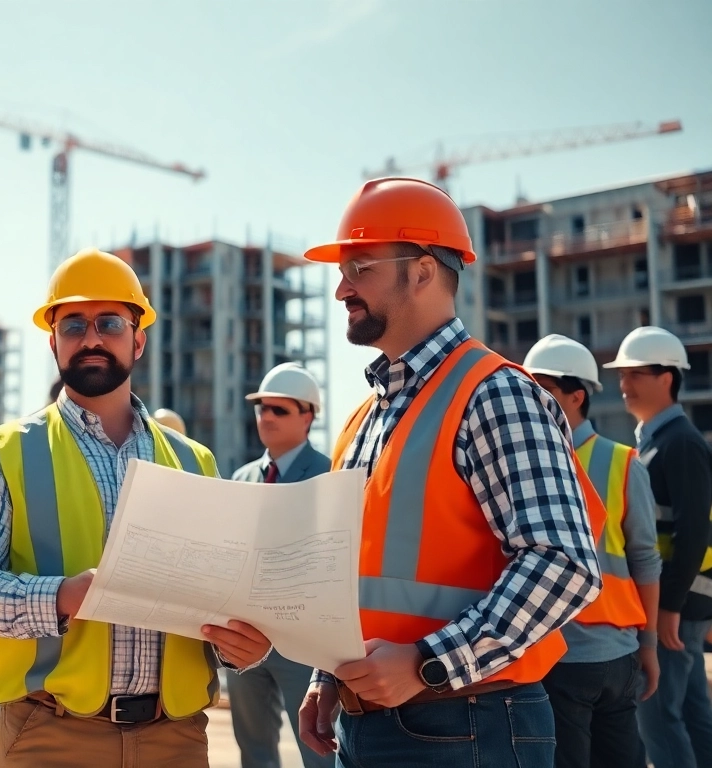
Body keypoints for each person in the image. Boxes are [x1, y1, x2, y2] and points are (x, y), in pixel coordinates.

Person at [294, 178, 602, 768]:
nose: (341, 289)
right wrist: (326, 675)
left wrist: (425, 662)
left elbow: (564, 564)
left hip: (470, 721)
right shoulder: (366, 417)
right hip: (369, 724)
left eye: (359, 267)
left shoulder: (496, 394)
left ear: (423, 270)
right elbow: (352, 570)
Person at [0, 248, 272, 767]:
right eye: (73, 324)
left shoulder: (194, 461)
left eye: (110, 322)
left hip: (176, 739)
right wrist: (61, 597)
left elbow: (218, 598)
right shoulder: (5, 452)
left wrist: (238, 645)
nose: (91, 338)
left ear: (138, 339)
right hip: (51, 735)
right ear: (53, 342)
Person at [523, 334, 661, 768]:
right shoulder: (624, 462)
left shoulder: (534, 467)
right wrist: (648, 646)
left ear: (576, 396)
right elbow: (645, 559)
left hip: (567, 658)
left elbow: (644, 559)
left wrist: (650, 645)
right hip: (615, 656)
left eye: (543, 391)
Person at [606, 326, 712, 768]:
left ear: (666, 378)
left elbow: (694, 532)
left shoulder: (680, 443)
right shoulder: (658, 441)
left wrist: (668, 606)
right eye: (622, 375)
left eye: (634, 375)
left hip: (675, 606)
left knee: (657, 720)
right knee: (690, 713)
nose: (624, 385)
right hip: (681, 602)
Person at [230, 363, 332, 768]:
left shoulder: (330, 474)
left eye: (279, 410)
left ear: (307, 416)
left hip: (302, 643)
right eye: (262, 408)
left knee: (320, 753)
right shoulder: (241, 478)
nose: (266, 417)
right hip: (243, 640)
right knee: (253, 751)